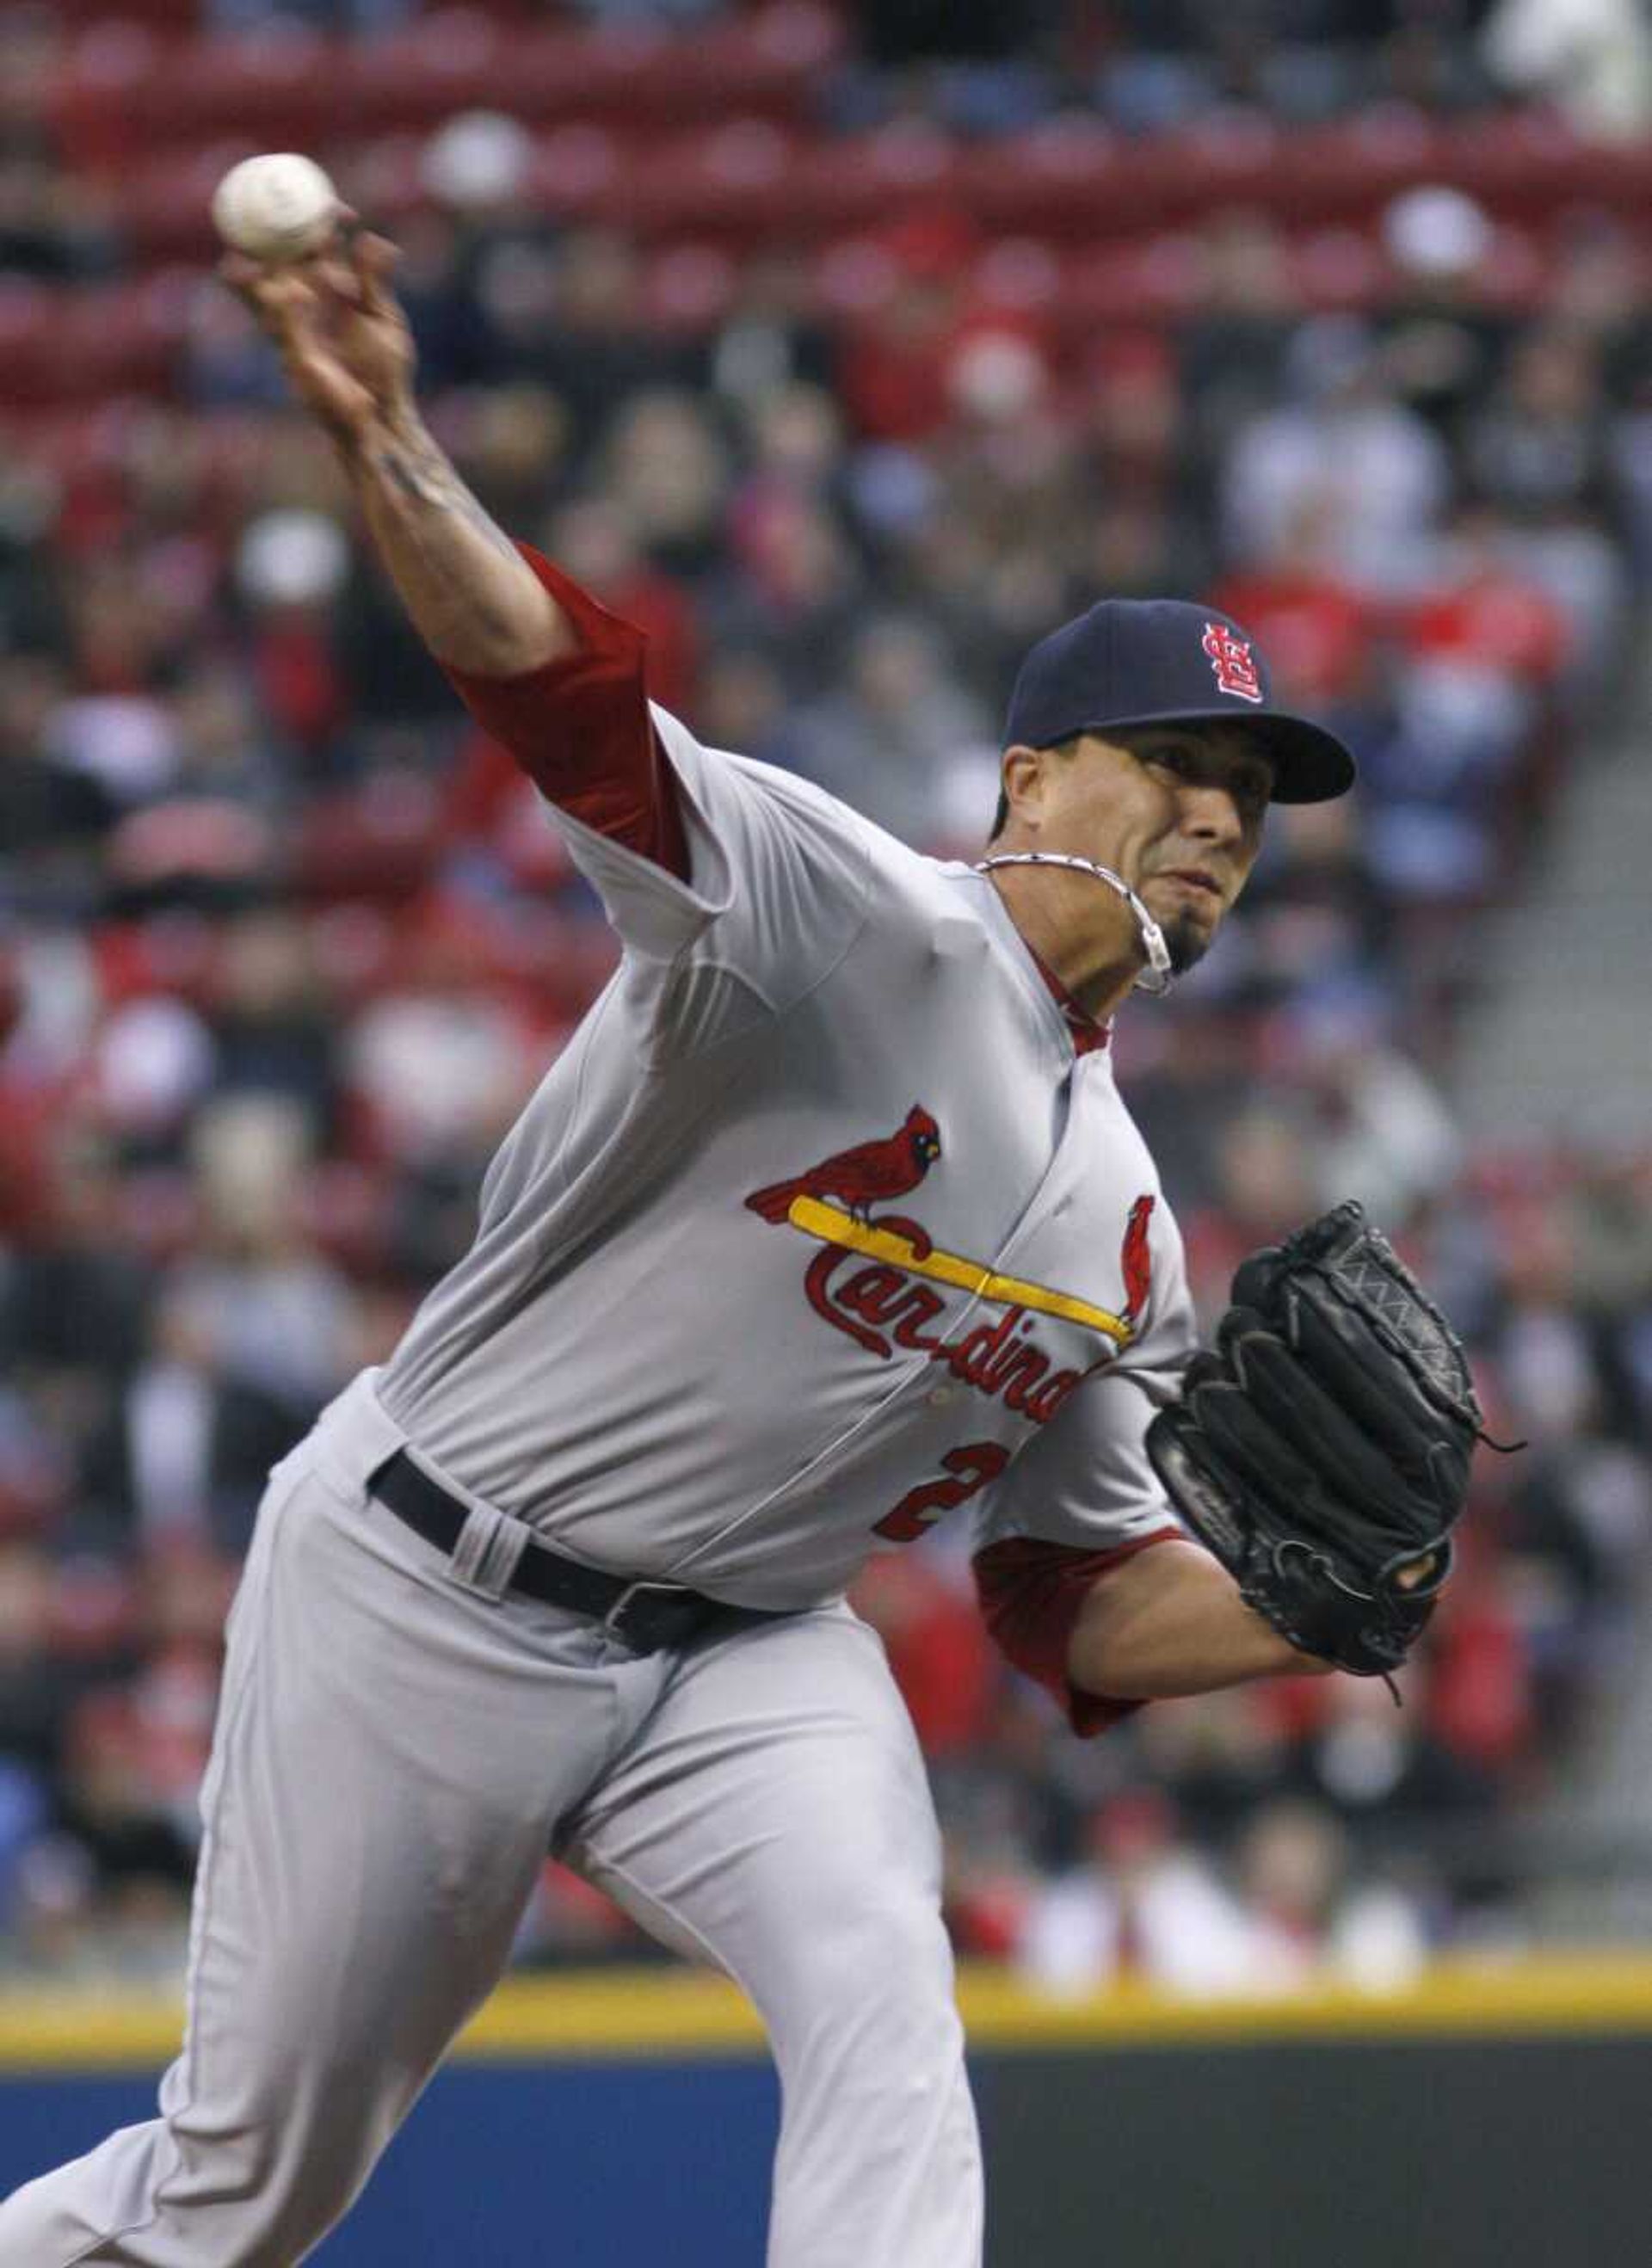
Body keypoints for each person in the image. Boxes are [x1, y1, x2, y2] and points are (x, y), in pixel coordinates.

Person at [0, 222, 1357, 2268]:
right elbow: (578, 708)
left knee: (885, 1996)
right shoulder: (851, 919)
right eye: (1175, 761)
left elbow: (1065, 1599)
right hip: (426, 1580)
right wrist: (385, 438)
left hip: (744, 1655)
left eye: (1250, 794)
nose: (1219, 816)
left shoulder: (1133, 1225)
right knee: (241, 2195)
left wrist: (1329, 1603)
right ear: (1028, 778)